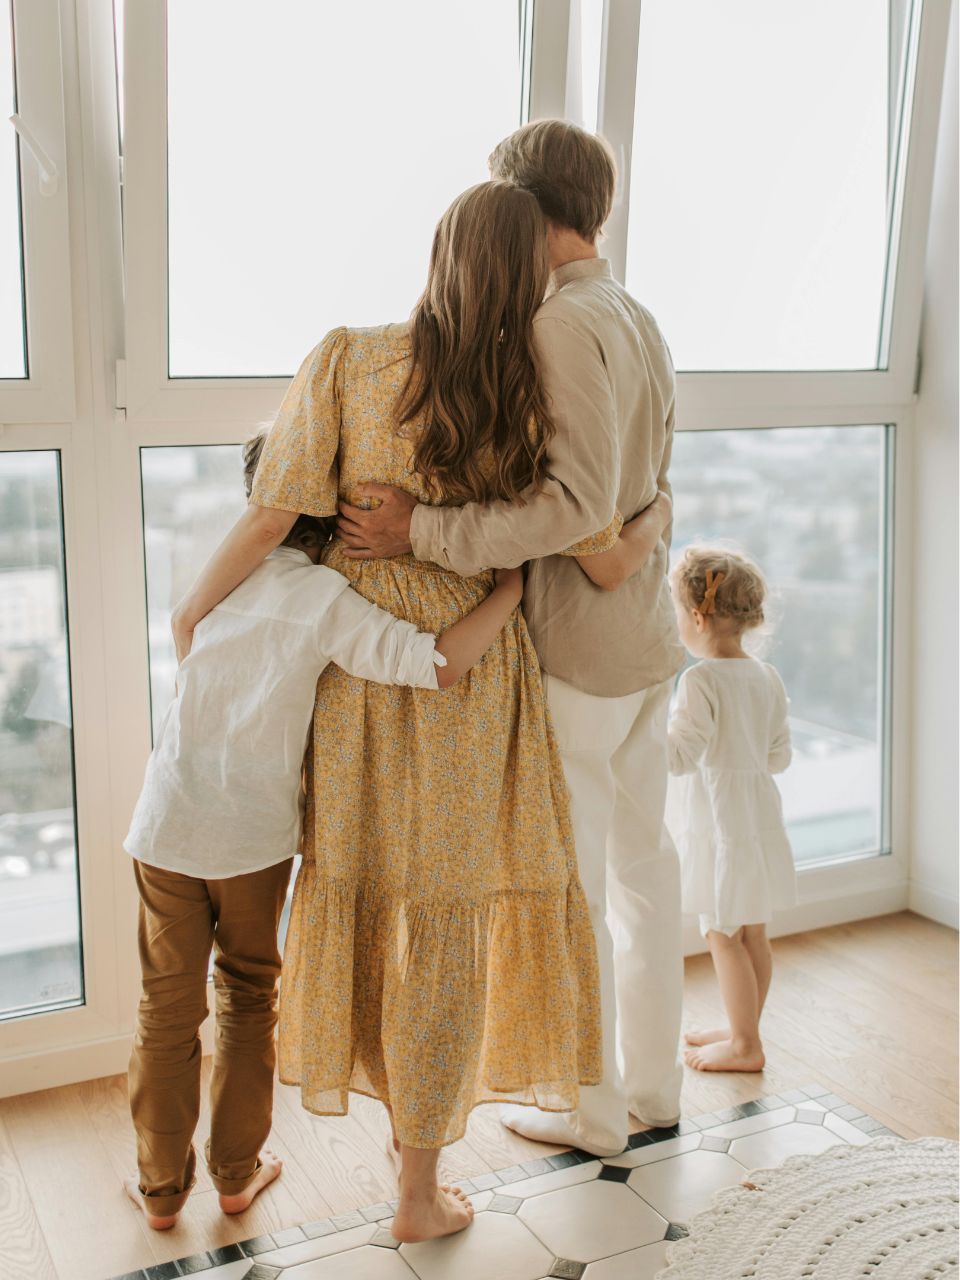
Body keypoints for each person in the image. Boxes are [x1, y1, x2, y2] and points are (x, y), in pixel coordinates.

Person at [168, 180, 602, 1243]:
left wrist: (194, 609)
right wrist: (497, 585)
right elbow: (550, 526)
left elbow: (275, 509)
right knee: (447, 915)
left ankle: (369, 1161)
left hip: (362, 671)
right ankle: (418, 1191)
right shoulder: (531, 382)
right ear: (531, 270)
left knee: (364, 892)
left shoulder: (348, 356)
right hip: (469, 666)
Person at [339, 120, 685, 1156]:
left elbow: (565, 503)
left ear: (532, 212)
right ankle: (653, 1092)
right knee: (644, 871)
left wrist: (421, 528)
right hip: (643, 641)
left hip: (581, 655)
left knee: (574, 890)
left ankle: (594, 1114)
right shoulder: (636, 313)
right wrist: (642, 533)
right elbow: (648, 479)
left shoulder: (562, 326)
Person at [123, 429, 528, 1232]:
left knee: (164, 1012)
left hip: (165, 822)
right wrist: (509, 593)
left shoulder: (215, 582)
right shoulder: (323, 601)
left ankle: (160, 1191)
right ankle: (236, 1177)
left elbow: (185, 642)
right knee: (246, 998)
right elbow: (438, 665)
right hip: (249, 840)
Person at [666, 546, 797, 1073]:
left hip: (721, 826)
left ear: (697, 617)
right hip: (758, 818)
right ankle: (745, 1029)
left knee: (721, 933)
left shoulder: (701, 681)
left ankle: (746, 1046)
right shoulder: (766, 676)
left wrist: (646, 726)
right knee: (752, 933)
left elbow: (679, 758)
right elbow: (779, 756)